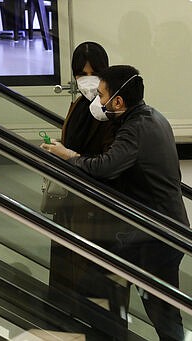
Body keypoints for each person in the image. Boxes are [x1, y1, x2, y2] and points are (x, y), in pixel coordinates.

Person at [42, 65, 189, 341]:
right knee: (155, 309)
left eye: (101, 95)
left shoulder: (135, 128)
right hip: (161, 229)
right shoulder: (153, 118)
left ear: (118, 101)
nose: (97, 102)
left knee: (153, 310)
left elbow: (105, 167)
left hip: (154, 235)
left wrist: (69, 156)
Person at [48, 42, 122, 305]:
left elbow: (110, 162)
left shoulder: (113, 111)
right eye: (81, 74)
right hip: (70, 206)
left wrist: (70, 156)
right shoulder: (79, 105)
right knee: (66, 290)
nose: (87, 80)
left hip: (97, 213)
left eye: (95, 73)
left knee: (97, 292)